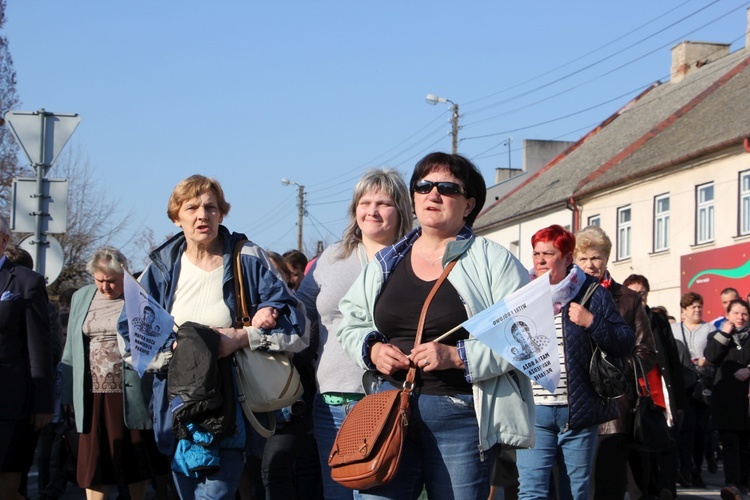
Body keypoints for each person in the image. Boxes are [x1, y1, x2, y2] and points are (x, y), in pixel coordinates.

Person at [337, 152, 534, 498]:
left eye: (447, 188)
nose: (433, 194)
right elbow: (350, 323)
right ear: (413, 197)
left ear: (469, 203)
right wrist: (372, 349)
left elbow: (525, 334)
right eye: (424, 186)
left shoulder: (493, 260)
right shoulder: (387, 261)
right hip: (387, 411)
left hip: (459, 415)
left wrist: (457, 356)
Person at [120, 174, 307, 499]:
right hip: (178, 408)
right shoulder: (160, 268)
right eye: (191, 207)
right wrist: (179, 352)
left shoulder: (247, 258)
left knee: (216, 494)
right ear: (176, 217)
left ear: (221, 213)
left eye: (210, 207)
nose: (202, 215)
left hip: (232, 403)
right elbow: (130, 335)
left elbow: (299, 326)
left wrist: (243, 337)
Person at [296, 168, 413, 499]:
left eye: (384, 203)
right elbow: (301, 311)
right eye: (365, 202)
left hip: (387, 400)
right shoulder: (333, 257)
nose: (372, 211)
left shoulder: (414, 258)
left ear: (401, 209)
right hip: (332, 401)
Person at [515, 224, 634, 500]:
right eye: (536, 253)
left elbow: (625, 341)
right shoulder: (522, 294)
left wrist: (591, 322)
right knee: (531, 492)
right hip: (534, 411)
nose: (541, 260)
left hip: (577, 410)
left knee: (576, 493)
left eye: (549, 253)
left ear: (568, 258)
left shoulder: (591, 293)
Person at [60, 247, 167, 500]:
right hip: (90, 393)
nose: (105, 287)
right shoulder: (81, 297)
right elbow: (70, 349)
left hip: (128, 395)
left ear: (125, 275)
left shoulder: (141, 296)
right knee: (93, 464)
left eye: (111, 281)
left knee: (133, 461)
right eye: (100, 280)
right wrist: (66, 395)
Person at [574, 225, 657, 500]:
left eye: (595, 257)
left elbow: (646, 353)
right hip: (571, 406)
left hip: (613, 408)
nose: (590, 265)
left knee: (608, 485)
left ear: (606, 258)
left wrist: (609, 372)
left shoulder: (629, 299)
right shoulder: (563, 297)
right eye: (583, 258)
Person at [0, 218, 54, 500]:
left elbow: (39, 347)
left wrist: (43, 403)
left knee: (7, 487)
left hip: (10, 404)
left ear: (4, 240)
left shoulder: (25, 282)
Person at [623, 274, 686, 499]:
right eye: (633, 292)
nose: (638, 297)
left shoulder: (657, 320)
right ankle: (643, 492)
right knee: (639, 448)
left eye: (642, 293)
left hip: (660, 391)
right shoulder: (621, 317)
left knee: (666, 443)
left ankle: (667, 489)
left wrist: (679, 399)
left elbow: (671, 360)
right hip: (635, 393)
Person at [704, 299, 750, 500]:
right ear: (727, 314)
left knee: (746, 444)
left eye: (744, 314)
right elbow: (710, 356)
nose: (740, 317)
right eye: (736, 313)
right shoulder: (718, 335)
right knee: (730, 443)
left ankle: (745, 484)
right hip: (726, 400)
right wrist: (724, 334)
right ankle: (732, 484)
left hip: (747, 399)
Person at [671, 291, 713, 488]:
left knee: (700, 431)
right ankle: (683, 469)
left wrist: (708, 362)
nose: (697, 309)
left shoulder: (709, 329)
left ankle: (697, 469)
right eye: (693, 307)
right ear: (684, 311)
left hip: (702, 386)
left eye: (699, 306)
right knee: (684, 430)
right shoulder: (673, 330)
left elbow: (716, 355)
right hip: (682, 386)